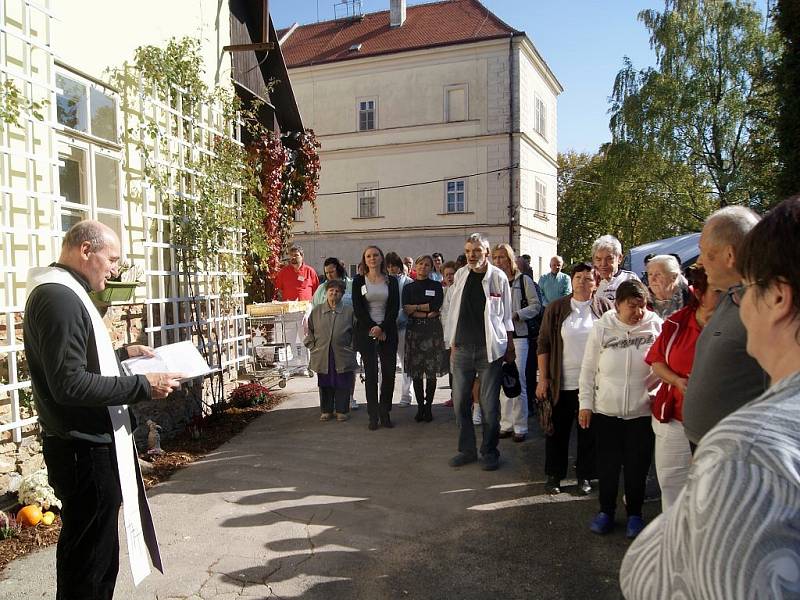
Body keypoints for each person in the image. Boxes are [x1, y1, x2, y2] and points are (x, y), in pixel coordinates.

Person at [620, 195, 800, 600]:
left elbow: (651, 579)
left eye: (749, 289)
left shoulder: (747, 454)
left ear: (778, 298)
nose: (739, 304)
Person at [22, 220, 181, 599]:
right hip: (82, 449)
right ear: (85, 251)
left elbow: (77, 358)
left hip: (87, 445)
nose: (114, 270)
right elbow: (70, 383)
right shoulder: (58, 298)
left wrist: (122, 355)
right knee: (89, 561)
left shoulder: (66, 290)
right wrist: (144, 385)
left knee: (97, 553)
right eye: (111, 260)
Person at [579, 279, 662, 538]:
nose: (638, 312)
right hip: (607, 412)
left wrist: (656, 394)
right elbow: (588, 369)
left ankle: (635, 515)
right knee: (608, 466)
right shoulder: (603, 327)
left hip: (642, 412)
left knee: (637, 467)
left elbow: (662, 364)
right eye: (631, 306)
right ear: (617, 305)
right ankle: (606, 512)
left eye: (642, 306)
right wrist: (586, 404)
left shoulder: (654, 325)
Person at [682, 206, 767, 449]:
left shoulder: (766, 310)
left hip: (738, 456)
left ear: (729, 256)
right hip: (710, 449)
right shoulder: (731, 298)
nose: (699, 262)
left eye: (705, 252)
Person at [644, 267, 720, 512]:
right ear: (699, 293)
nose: (728, 295)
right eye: (717, 291)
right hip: (675, 416)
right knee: (673, 484)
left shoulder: (738, 323)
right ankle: (673, 540)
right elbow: (656, 361)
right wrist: (676, 380)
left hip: (717, 422)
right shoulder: (677, 323)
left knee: (710, 492)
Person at [536, 262, 613, 495]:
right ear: (572, 280)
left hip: (592, 384)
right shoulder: (557, 307)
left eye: (588, 278)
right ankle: (554, 476)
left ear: (596, 283)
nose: (582, 281)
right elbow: (544, 343)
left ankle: (585, 476)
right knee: (557, 431)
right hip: (563, 382)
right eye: (578, 277)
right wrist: (543, 378)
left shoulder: (605, 307)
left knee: (588, 433)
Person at [443, 233, 514, 471]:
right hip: (461, 349)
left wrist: (509, 346)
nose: (472, 255)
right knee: (460, 402)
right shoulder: (461, 275)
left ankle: (490, 451)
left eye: (476, 251)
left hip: (489, 350)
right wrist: (451, 341)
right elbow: (451, 309)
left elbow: (506, 315)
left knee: (489, 405)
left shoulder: (498, 277)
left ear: (486, 252)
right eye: (468, 251)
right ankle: (467, 450)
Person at [491, 243, 541, 442]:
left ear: (510, 259)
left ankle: (520, 426)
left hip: (519, 337)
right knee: (504, 381)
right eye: (495, 258)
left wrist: (517, 315)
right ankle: (506, 424)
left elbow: (536, 306)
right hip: (499, 336)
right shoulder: (493, 281)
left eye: (502, 257)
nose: (499, 261)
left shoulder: (522, 281)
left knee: (518, 380)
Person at [352, 246, 400, 430]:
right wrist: (373, 328)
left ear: (382, 258)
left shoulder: (392, 281)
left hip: (388, 331)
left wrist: (382, 328)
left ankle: (385, 411)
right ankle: (373, 415)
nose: (372, 258)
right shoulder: (358, 281)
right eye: (368, 256)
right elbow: (358, 308)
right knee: (371, 374)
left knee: (388, 374)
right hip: (367, 331)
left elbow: (394, 307)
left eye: (376, 255)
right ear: (365, 260)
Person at [305, 280, 358, 422]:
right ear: (326, 293)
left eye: (337, 291)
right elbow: (309, 330)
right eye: (331, 291)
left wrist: (353, 347)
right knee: (324, 382)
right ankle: (326, 410)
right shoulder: (317, 311)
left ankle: (342, 410)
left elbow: (356, 332)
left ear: (342, 294)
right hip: (322, 353)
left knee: (343, 381)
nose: (334, 293)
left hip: (343, 353)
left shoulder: (349, 311)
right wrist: (311, 345)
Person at [402, 255, 445, 422]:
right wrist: (424, 311)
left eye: (427, 265)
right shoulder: (408, 288)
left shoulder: (435, 285)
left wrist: (416, 308)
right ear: (416, 266)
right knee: (417, 372)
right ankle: (420, 407)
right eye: (420, 264)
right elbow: (406, 308)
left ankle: (429, 406)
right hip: (414, 332)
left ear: (431, 268)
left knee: (431, 372)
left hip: (432, 332)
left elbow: (436, 305)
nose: (423, 267)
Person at [386, 252, 414, 406]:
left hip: (404, 326)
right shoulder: (384, 282)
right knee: (387, 363)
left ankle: (406, 395)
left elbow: (409, 305)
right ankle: (386, 397)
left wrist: (403, 317)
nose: (391, 269)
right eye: (388, 266)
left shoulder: (408, 282)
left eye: (394, 266)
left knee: (405, 362)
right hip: (387, 328)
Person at [591, 235, 640, 302]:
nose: (603, 264)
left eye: (609, 259)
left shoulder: (630, 278)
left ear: (620, 258)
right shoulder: (589, 281)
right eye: (598, 259)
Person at [645, 254, 689, 319]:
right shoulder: (642, 302)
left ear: (674, 276)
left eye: (658, 274)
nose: (653, 279)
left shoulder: (691, 298)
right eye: (650, 274)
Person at [440, 261, 458, 407]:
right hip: (446, 335)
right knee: (451, 368)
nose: (450, 277)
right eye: (447, 275)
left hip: (458, 335)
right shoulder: (444, 291)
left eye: (452, 274)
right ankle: (454, 395)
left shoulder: (459, 289)